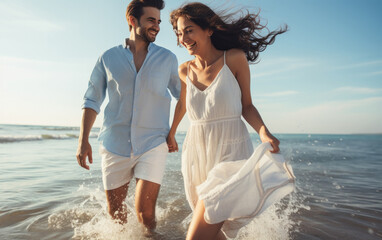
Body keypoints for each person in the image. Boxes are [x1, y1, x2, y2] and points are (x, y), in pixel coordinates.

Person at [167, 2, 295, 239]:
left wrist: (264, 133)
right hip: (197, 155)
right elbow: (183, 104)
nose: (183, 38)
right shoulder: (184, 70)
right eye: (178, 32)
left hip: (230, 153)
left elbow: (247, 105)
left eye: (189, 30)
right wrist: (171, 132)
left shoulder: (234, 59)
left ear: (209, 30)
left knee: (197, 235)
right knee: (216, 233)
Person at [76, 0, 180, 234]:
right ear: (132, 21)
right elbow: (92, 99)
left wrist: (172, 132)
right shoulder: (108, 58)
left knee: (146, 212)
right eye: (151, 20)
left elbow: (183, 97)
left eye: (159, 21)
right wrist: (83, 140)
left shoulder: (168, 59)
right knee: (116, 214)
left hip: (154, 143)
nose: (157, 26)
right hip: (115, 144)